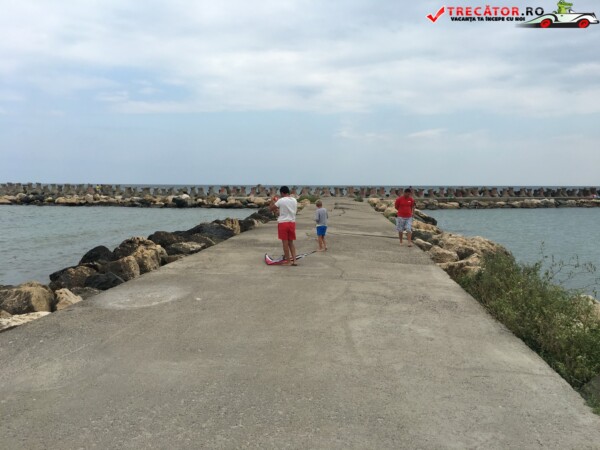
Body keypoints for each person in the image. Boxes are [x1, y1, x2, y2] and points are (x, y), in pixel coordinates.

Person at [269, 186, 298, 265]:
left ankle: (288, 261)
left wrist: (272, 200)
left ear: (282, 193)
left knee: (285, 243)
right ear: (288, 192)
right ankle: (294, 260)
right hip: (292, 222)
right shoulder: (294, 200)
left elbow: (271, 208)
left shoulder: (281, 200)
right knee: (291, 242)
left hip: (283, 223)